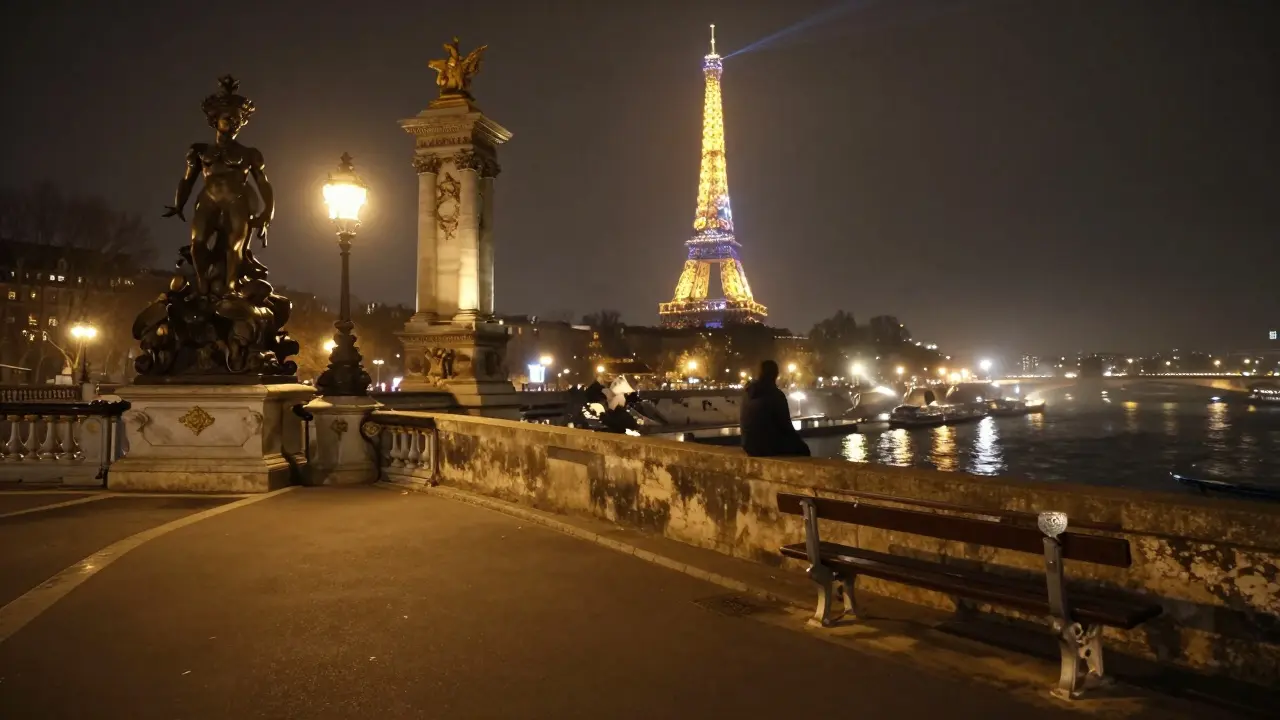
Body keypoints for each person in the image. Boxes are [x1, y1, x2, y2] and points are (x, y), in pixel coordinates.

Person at [740, 360, 810, 457]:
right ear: (775, 375)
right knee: (803, 450)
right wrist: (801, 444)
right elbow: (787, 427)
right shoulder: (776, 395)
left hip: (748, 446)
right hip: (767, 447)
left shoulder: (747, 393)